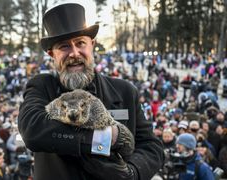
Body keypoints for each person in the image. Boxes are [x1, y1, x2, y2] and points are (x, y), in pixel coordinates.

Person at [18, 3, 164, 180]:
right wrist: (106, 138)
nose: (74, 53)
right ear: (52, 54)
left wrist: (132, 172)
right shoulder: (42, 86)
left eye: (80, 43)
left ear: (92, 45)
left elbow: (151, 146)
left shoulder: (125, 91)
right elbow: (32, 130)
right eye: (64, 46)